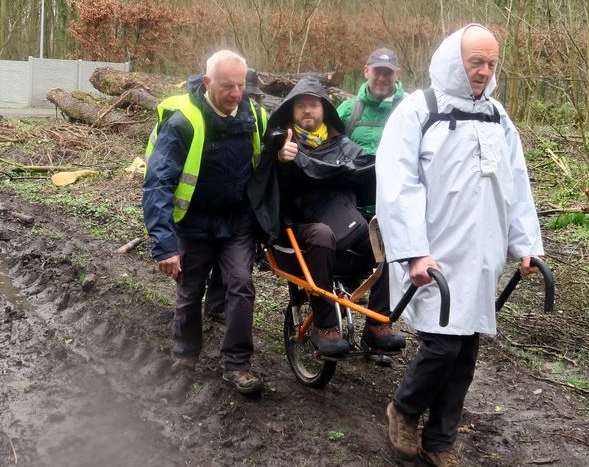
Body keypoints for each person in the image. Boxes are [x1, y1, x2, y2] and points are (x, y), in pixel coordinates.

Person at [376, 25, 544, 467]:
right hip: (434, 257)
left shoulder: (496, 116)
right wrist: (413, 252)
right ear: (455, 61)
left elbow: (516, 183)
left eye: (491, 64)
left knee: (466, 348)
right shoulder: (418, 112)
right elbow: (397, 188)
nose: (484, 72)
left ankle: (441, 441)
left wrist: (525, 244)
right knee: (443, 345)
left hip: (481, 255)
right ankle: (404, 410)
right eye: (476, 63)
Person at [250, 77, 406, 358]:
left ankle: (377, 323)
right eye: (301, 106)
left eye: (313, 105)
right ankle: (324, 326)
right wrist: (281, 161)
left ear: (323, 111)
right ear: (292, 112)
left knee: (387, 240)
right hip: (296, 231)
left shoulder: (342, 145)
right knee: (322, 234)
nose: (307, 111)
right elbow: (267, 189)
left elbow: (365, 171)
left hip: (343, 224)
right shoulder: (283, 144)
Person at [142, 50, 267, 396]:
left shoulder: (254, 116)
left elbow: (268, 163)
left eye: (241, 85)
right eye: (228, 86)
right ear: (209, 82)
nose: (236, 93)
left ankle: (237, 364)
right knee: (190, 288)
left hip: (237, 221)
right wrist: (165, 245)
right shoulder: (184, 120)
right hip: (195, 222)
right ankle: (185, 355)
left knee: (241, 284)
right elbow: (158, 182)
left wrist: (285, 152)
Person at [203, 68, 267, 324]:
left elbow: (263, 158)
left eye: (247, 91)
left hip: (243, 205)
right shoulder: (209, 117)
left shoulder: (258, 117)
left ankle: (217, 305)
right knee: (209, 264)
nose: (240, 97)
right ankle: (211, 305)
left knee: (235, 267)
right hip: (207, 206)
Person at [337, 48, 405, 154]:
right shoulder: (347, 109)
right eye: (377, 72)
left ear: (397, 75)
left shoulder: (410, 108)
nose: (382, 78)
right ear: (366, 71)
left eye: (388, 73)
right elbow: (325, 142)